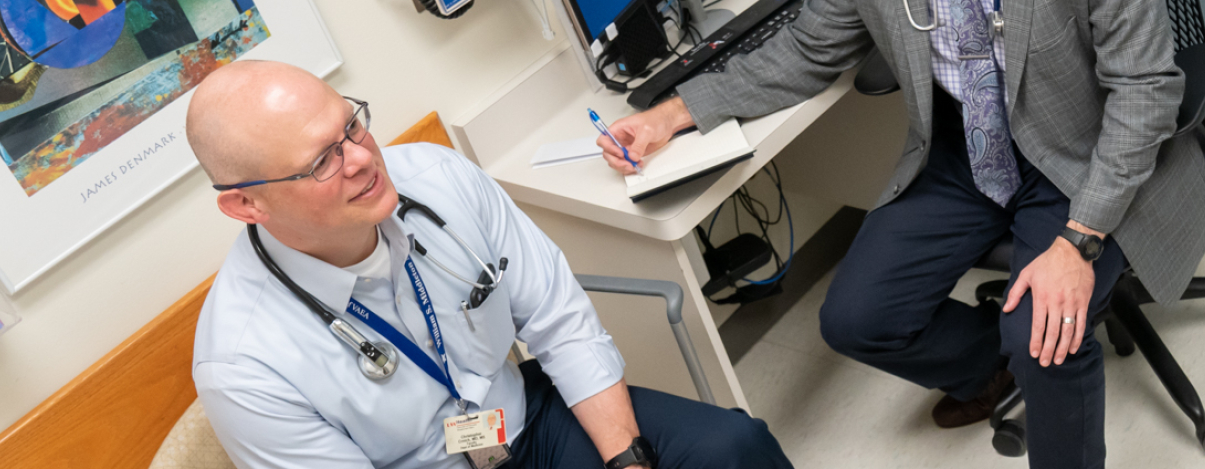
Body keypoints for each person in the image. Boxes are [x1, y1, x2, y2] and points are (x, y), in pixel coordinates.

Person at [598, 0, 1205, 466]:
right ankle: (989, 367)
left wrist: (1078, 244)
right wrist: (677, 110)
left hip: (1079, 157)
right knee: (856, 319)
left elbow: (1145, 89)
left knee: (1045, 338)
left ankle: (1029, 359)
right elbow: (812, 49)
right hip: (963, 151)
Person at [185, 61, 794, 469]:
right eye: (322, 161)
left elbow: (559, 321)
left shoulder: (437, 177)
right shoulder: (242, 365)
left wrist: (626, 461)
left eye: (351, 126)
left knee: (733, 447)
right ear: (246, 205)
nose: (363, 160)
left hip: (528, 420)